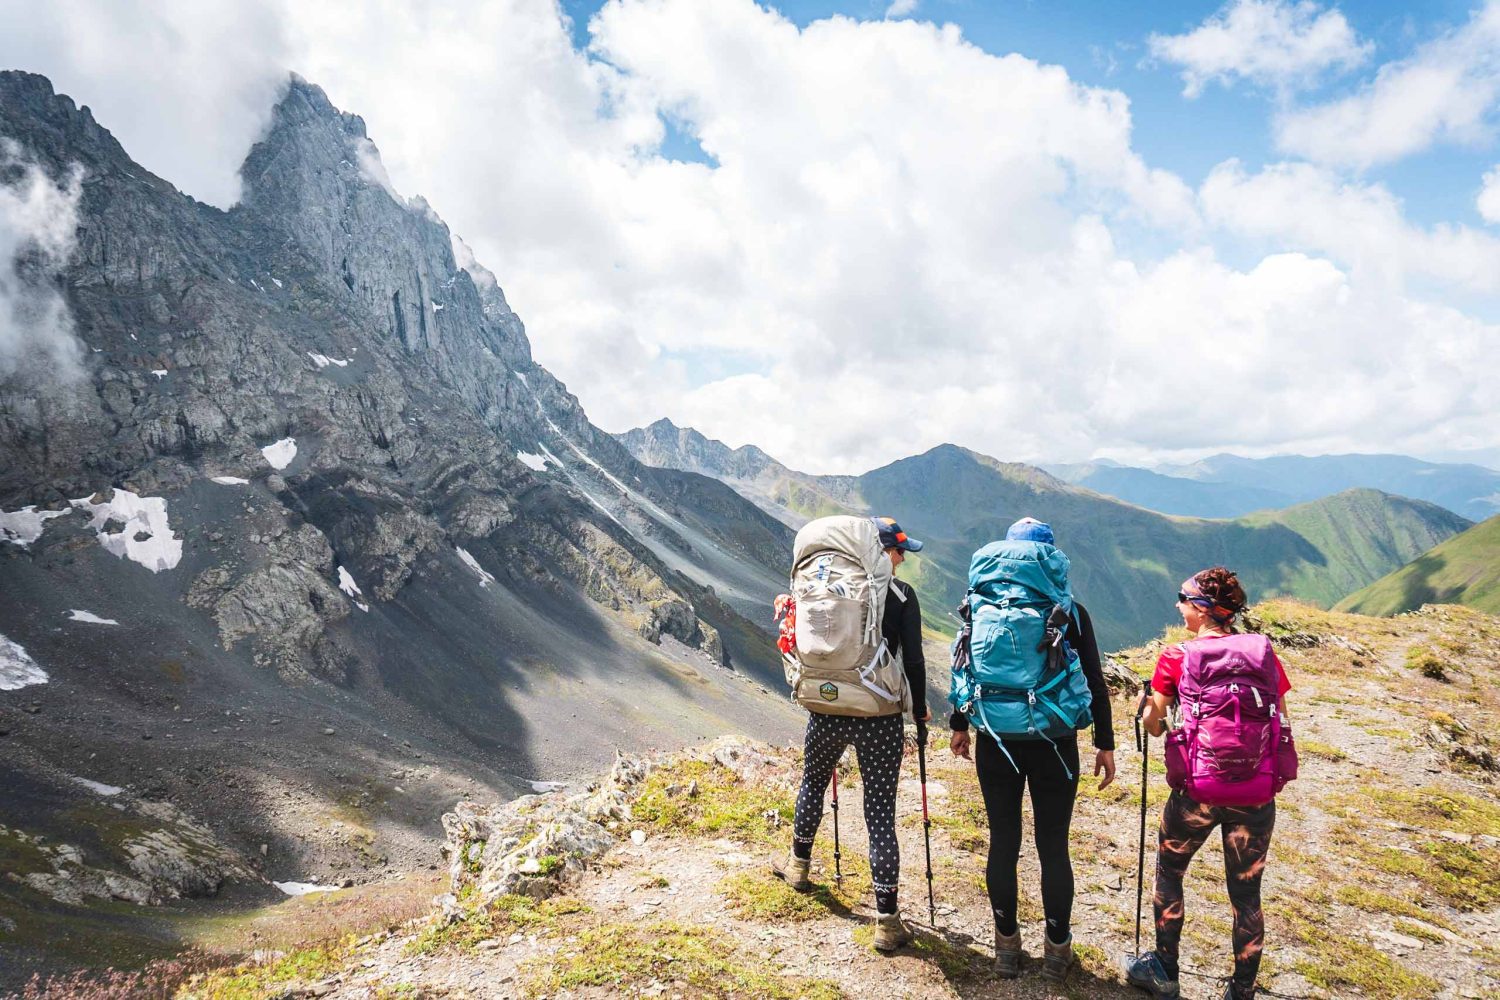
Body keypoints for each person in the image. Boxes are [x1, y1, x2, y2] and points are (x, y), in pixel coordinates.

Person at [949, 517, 1116, 982]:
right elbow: (1095, 683)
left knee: (1003, 841)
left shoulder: (978, 604)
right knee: (1052, 846)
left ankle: (1006, 949)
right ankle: (1057, 951)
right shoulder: (1070, 610)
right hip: (1054, 743)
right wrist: (1105, 743)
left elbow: (964, 667)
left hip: (995, 739)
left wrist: (960, 724)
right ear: (1050, 559)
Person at [1125, 567, 1292, 1000]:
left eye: (1183, 597)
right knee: (1246, 892)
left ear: (1201, 609)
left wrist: (1145, 706)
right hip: (1255, 794)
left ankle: (1164, 970)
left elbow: (1155, 726)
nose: (1178, 604)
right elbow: (1280, 717)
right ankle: (1242, 989)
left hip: (1197, 792)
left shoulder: (1177, 656)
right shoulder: (1263, 653)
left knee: (1170, 872)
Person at [772, 516, 930, 951]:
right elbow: (913, 662)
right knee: (878, 812)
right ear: (881, 553)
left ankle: (798, 866)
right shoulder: (899, 596)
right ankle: (885, 921)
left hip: (824, 705)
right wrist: (916, 712)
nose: (902, 560)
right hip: (877, 712)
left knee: (812, 783)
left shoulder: (820, 584)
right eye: (899, 551)